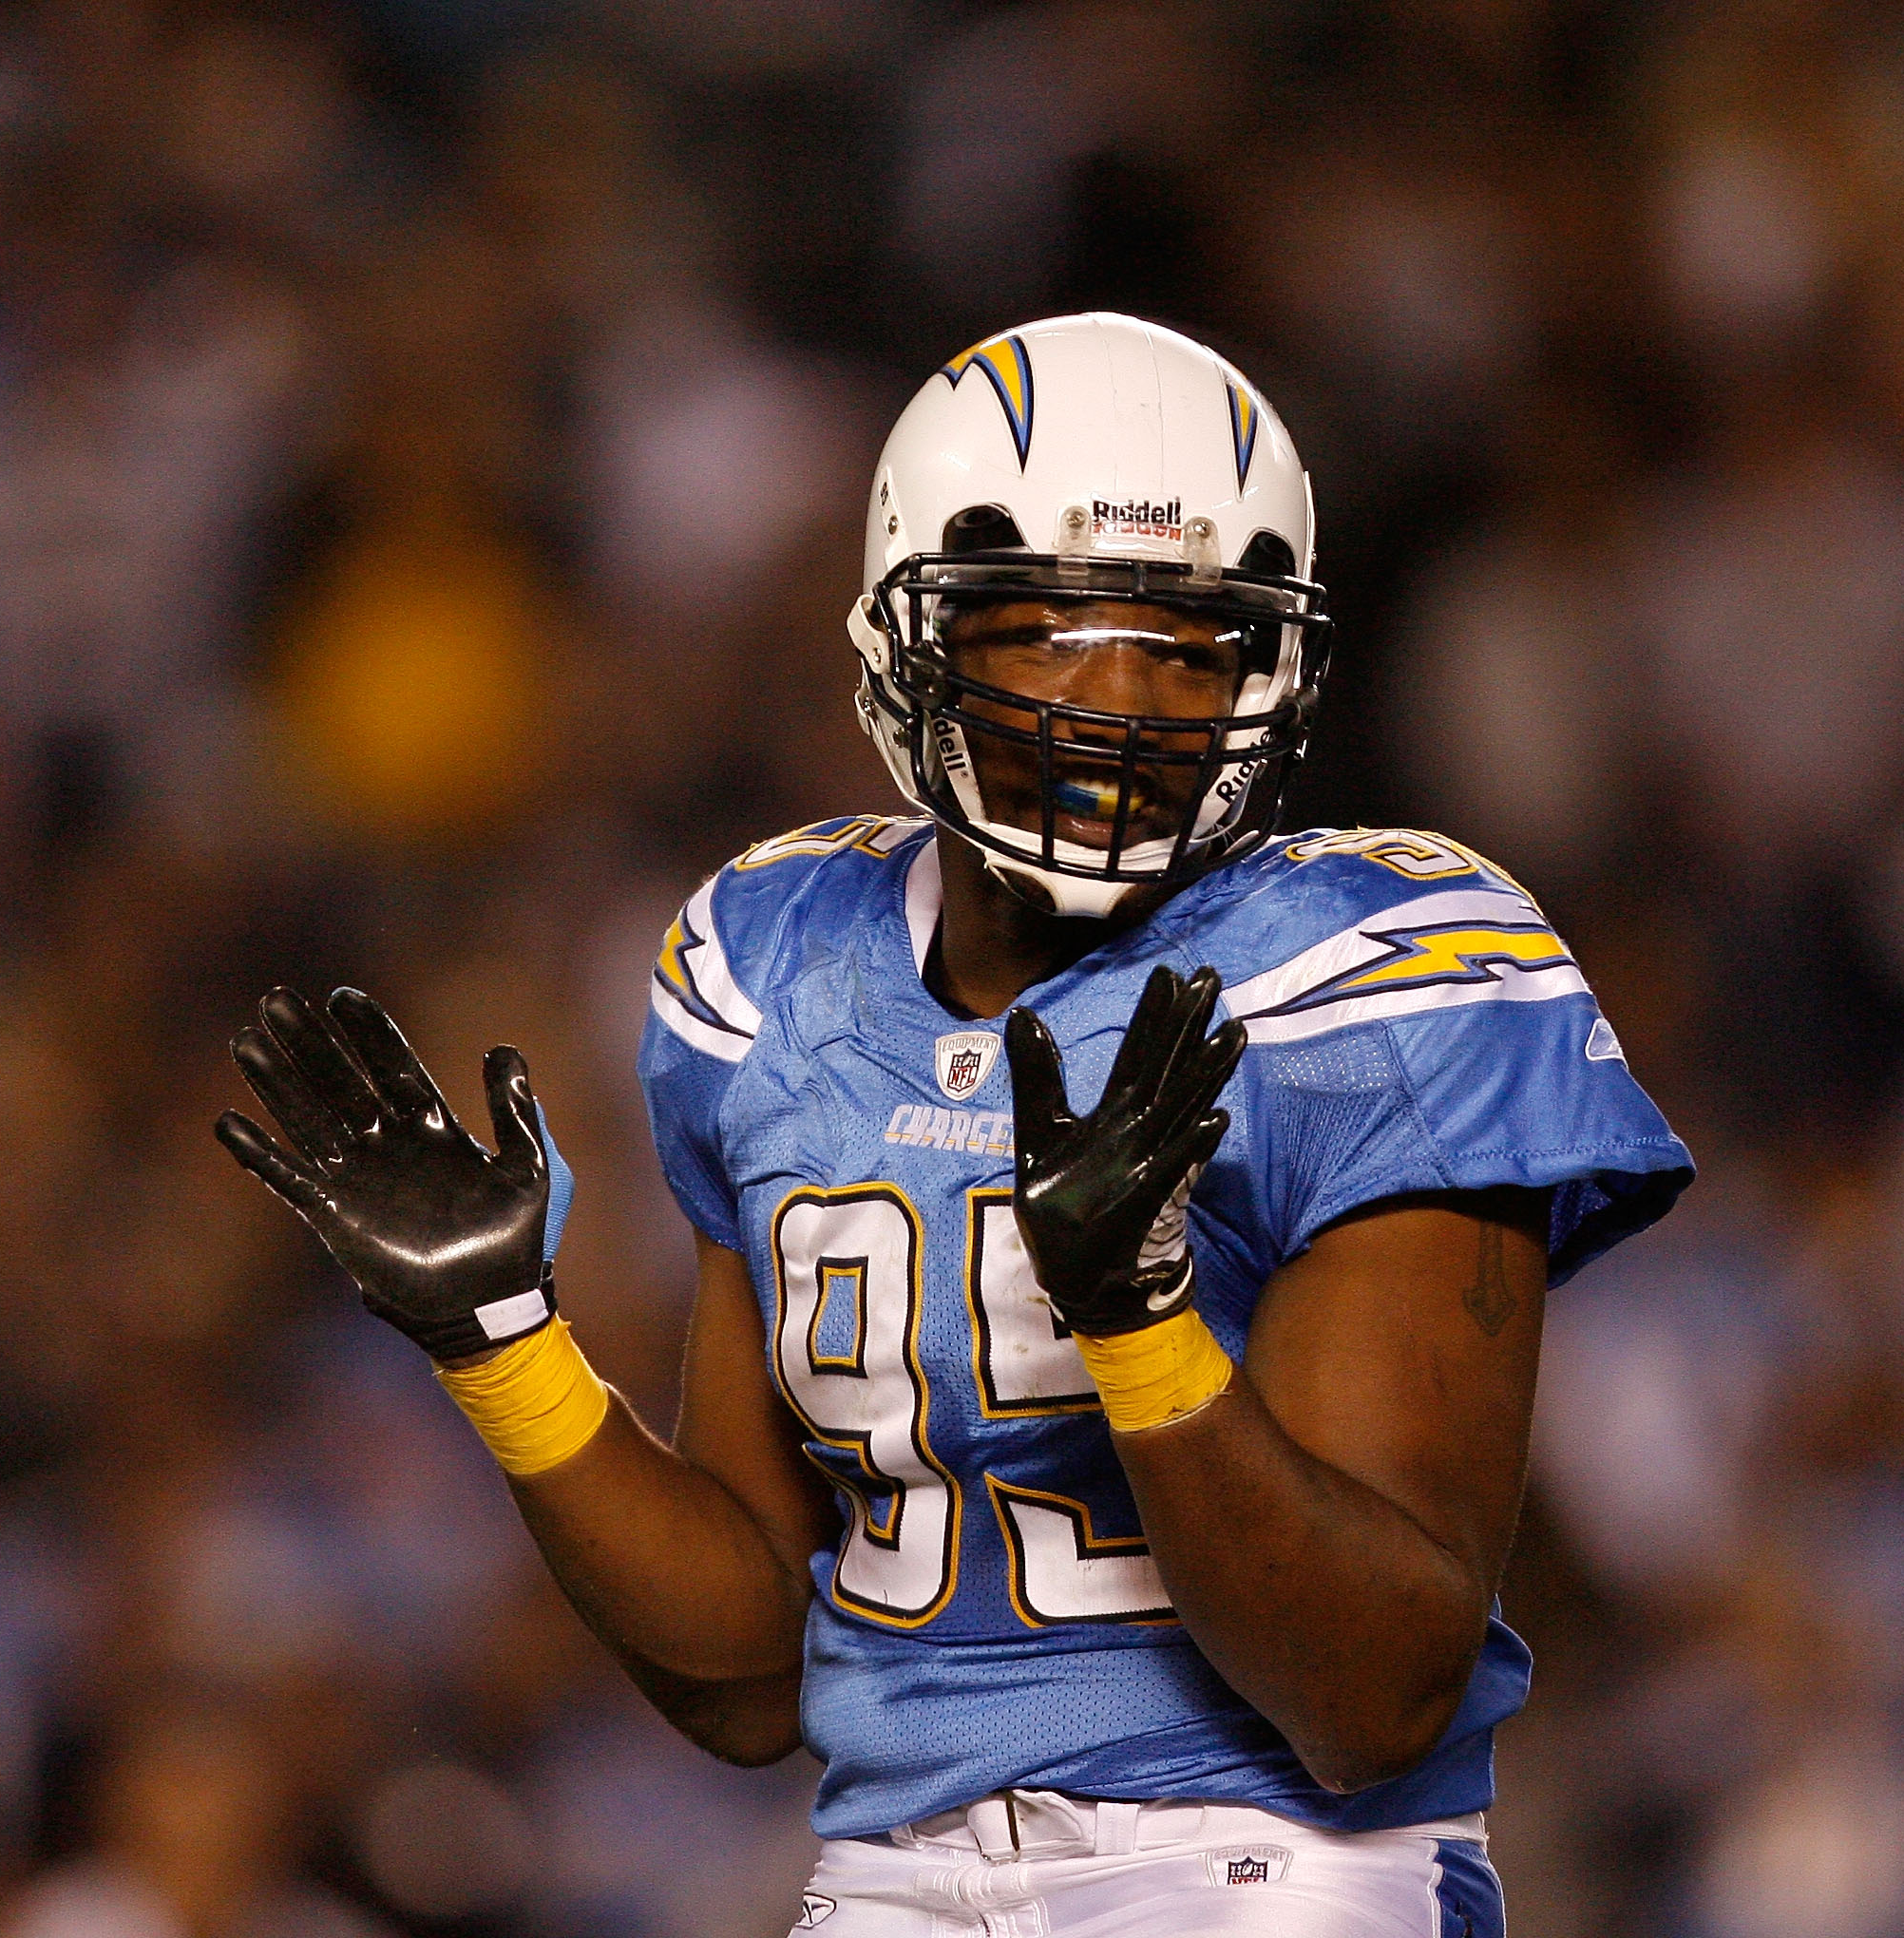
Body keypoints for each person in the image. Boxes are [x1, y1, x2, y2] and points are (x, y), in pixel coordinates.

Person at [216, 314, 1691, 1935]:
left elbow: (1371, 1701)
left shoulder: (1370, 974)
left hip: (1263, 1869)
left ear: (1271, 666)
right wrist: (503, 1347)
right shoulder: (768, 959)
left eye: (1187, 640)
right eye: (1046, 630)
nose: (1119, 698)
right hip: (887, 1879)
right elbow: (747, 1680)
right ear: (912, 631)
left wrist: (1140, 1327)